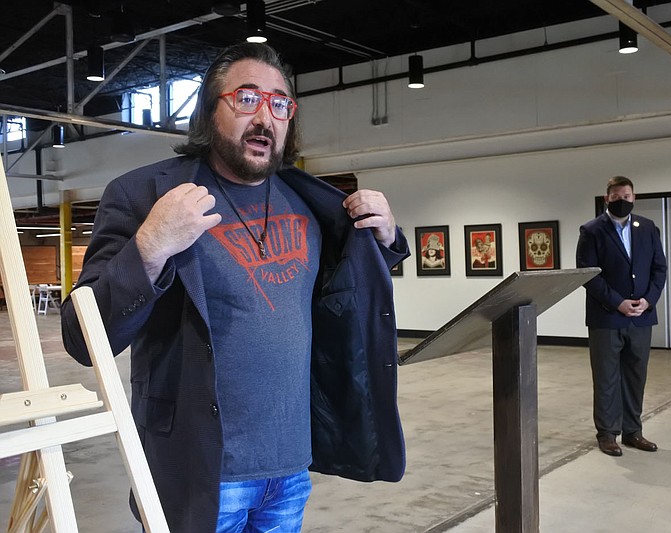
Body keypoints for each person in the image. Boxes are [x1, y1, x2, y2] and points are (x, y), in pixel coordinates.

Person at [60, 42, 409, 533]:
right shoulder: (142, 195)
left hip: (290, 469)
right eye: (247, 99)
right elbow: (82, 336)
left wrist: (387, 238)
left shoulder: (311, 203)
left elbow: (347, 295)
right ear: (209, 111)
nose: (265, 117)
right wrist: (150, 247)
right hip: (197, 470)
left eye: (279, 103)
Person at [575, 176, 667, 457]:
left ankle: (633, 432)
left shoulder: (648, 228)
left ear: (634, 197)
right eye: (617, 196)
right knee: (606, 378)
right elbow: (588, 274)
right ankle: (607, 434)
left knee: (636, 375)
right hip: (607, 318)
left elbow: (659, 268)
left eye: (627, 196)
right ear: (607, 199)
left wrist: (648, 301)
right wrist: (618, 303)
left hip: (641, 317)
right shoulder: (591, 230)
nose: (622, 200)